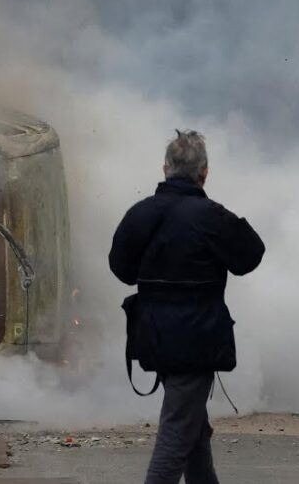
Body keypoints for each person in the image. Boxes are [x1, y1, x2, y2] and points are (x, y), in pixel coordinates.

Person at [109, 130, 265, 484]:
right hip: (197, 340)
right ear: (204, 172)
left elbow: (121, 270)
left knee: (191, 425)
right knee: (178, 430)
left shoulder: (140, 214)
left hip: (152, 337)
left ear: (165, 168)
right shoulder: (210, 216)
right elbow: (250, 255)